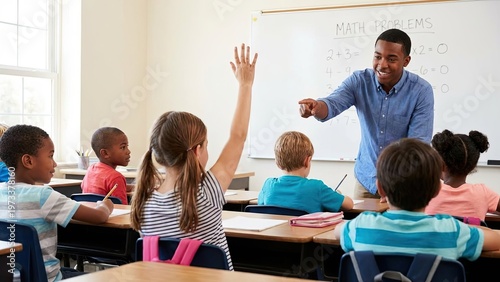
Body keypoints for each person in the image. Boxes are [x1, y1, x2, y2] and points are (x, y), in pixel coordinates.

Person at [130, 43, 258, 271]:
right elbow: (238, 136)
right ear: (197, 151)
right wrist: (245, 84)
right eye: (206, 144)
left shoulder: (143, 202)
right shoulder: (207, 191)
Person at [298, 29, 434, 200]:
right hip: (367, 181)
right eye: (377, 57)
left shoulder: (421, 91)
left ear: (406, 61)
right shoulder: (360, 80)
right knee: (361, 225)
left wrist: (395, 184)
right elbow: (332, 103)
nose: (382, 64)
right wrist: (316, 107)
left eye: (391, 59)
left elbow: (418, 146)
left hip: (404, 184)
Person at [333, 138, 500, 261]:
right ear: (436, 190)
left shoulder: (361, 226)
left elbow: (337, 231)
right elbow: (497, 240)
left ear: (381, 189)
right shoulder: (452, 231)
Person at [0, 124, 114, 281]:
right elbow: (99, 216)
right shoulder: (43, 196)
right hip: (48, 278)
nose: (54, 164)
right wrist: (105, 205)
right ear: (28, 161)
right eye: (50, 156)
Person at [258, 131, 354, 213]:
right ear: (307, 161)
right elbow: (349, 204)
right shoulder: (316, 187)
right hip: (307, 234)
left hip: (275, 234)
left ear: (277, 162)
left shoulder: (268, 185)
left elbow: (261, 207)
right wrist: (336, 195)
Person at [425, 130, 500, 221]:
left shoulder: (427, 192)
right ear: (472, 166)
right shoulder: (484, 193)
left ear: (442, 165)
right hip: (470, 235)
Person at [81, 127, 133, 204]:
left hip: (90, 214)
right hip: (111, 215)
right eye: (123, 147)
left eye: (127, 146)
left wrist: (134, 187)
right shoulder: (116, 177)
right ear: (105, 153)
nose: (128, 151)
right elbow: (123, 208)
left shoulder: (91, 169)